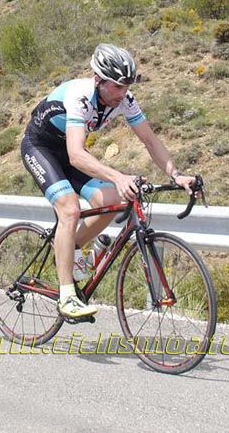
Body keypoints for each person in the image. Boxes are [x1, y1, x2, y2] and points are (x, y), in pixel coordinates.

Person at [20, 43, 198, 320]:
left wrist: (176, 174)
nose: (123, 93)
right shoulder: (81, 96)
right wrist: (117, 176)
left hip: (69, 152)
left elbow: (150, 141)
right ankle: (67, 296)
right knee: (69, 209)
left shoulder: (124, 100)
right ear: (98, 80)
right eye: (117, 86)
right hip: (41, 148)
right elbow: (77, 155)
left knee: (111, 200)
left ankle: (69, 247)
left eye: (127, 86)